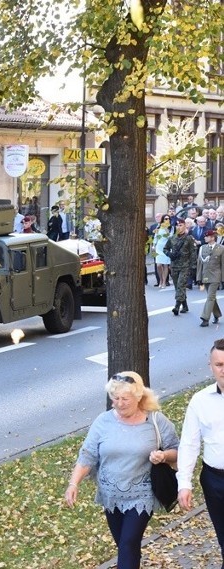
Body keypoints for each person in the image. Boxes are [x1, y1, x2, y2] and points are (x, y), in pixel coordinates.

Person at [65, 372, 179, 569]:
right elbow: (88, 455)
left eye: (124, 398)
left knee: (127, 543)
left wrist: (163, 456)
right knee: (126, 546)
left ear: (138, 396)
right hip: (110, 496)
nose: (119, 403)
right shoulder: (103, 421)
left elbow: (177, 450)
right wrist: (73, 483)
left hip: (141, 495)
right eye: (115, 398)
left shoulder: (155, 421)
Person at [177, 339, 224, 568]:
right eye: (219, 364)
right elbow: (189, 444)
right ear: (210, 366)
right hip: (215, 480)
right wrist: (184, 484)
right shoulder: (200, 401)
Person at [164, 218, 197, 315]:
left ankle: (177, 307)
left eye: (181, 225)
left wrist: (193, 266)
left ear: (185, 226)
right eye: (177, 225)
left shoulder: (189, 238)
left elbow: (193, 253)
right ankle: (185, 306)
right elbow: (165, 248)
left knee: (181, 285)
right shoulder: (172, 238)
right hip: (174, 266)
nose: (179, 227)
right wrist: (169, 254)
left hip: (185, 266)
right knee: (177, 287)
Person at [197, 230, 224, 327]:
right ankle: (217, 314)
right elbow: (200, 264)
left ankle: (205, 318)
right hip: (205, 276)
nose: (205, 238)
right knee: (211, 297)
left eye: (207, 236)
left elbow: (223, 264)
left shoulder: (221, 248)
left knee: (210, 297)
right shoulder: (202, 248)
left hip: (216, 276)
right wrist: (198, 277)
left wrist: (223, 279)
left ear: (212, 237)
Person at [153, 215, 173, 289]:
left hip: (166, 247)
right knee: (158, 265)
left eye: (168, 219)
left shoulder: (171, 228)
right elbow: (156, 237)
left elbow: (170, 237)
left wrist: (166, 229)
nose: (166, 220)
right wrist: (154, 245)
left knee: (165, 265)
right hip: (159, 247)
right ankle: (160, 279)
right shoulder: (158, 227)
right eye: (165, 219)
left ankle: (164, 281)